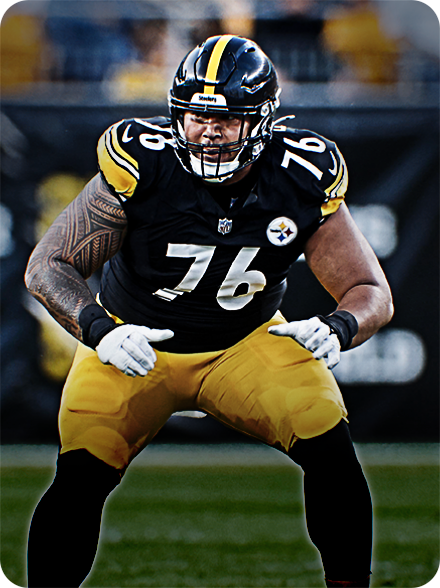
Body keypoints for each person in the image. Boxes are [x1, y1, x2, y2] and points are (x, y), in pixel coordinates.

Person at [24, 34, 393, 588]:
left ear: (262, 120)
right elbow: (48, 265)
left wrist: (340, 327)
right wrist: (100, 330)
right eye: (197, 116)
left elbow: (369, 289)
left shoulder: (299, 174)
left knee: (331, 452)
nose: (208, 131)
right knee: (80, 476)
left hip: (244, 344)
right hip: (132, 344)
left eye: (226, 119)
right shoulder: (143, 163)